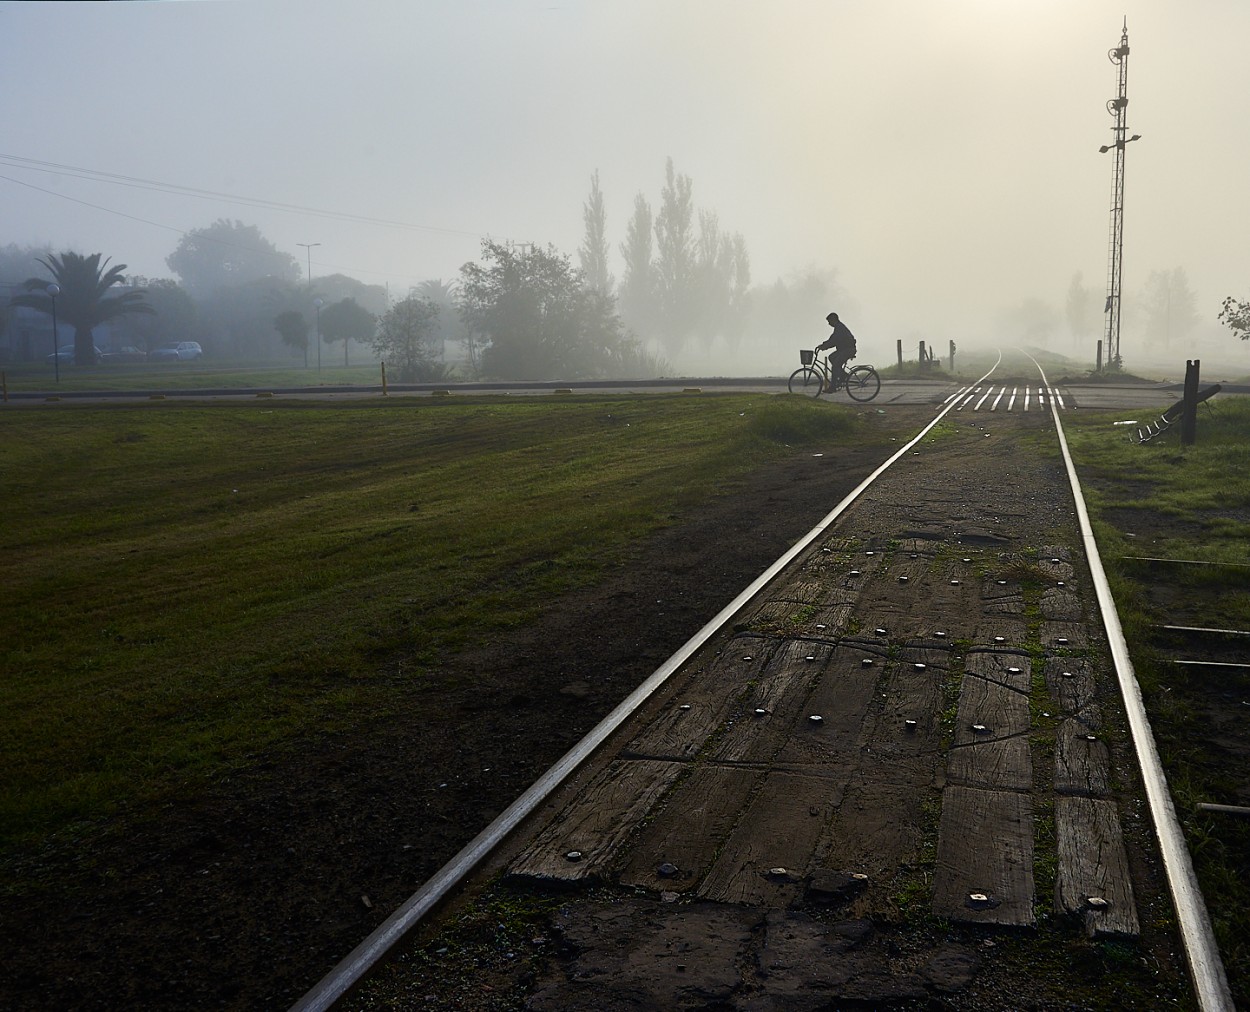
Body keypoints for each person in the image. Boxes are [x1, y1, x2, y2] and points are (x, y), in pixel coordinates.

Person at [816, 312, 857, 390]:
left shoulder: (839, 328)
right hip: (845, 349)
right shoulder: (838, 327)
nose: (829, 324)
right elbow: (832, 339)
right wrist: (823, 345)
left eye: (829, 322)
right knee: (831, 357)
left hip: (848, 350)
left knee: (835, 366)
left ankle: (833, 387)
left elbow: (834, 341)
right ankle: (843, 375)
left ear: (833, 320)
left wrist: (824, 347)